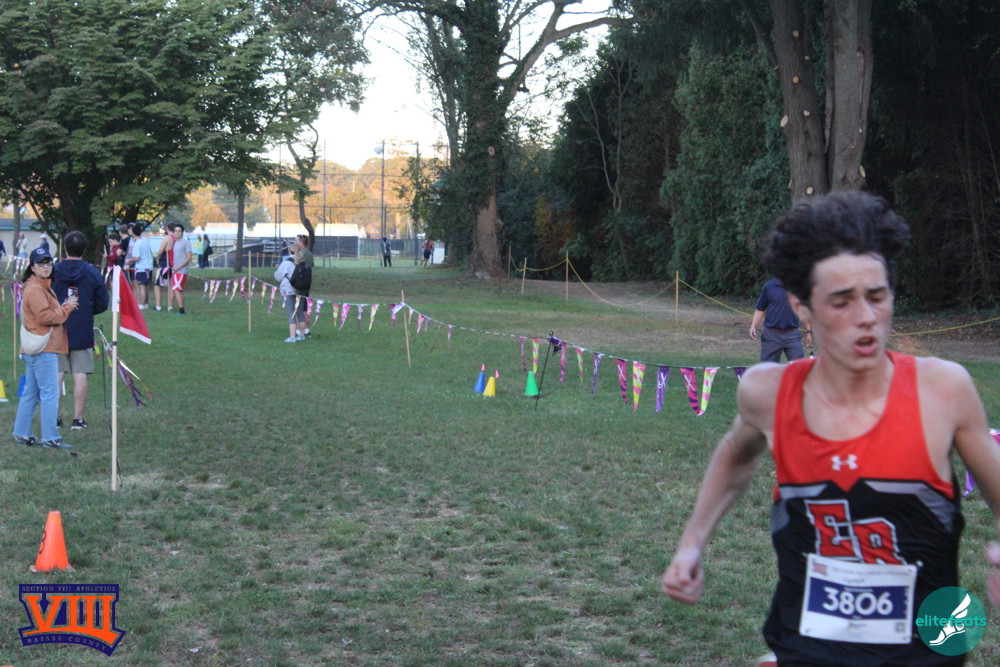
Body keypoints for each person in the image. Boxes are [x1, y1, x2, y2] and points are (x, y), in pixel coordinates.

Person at [661, 190, 1000, 665]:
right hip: (807, 643)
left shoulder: (943, 390)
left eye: (877, 297)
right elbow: (735, 455)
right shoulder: (768, 393)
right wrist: (691, 545)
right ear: (801, 307)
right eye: (841, 302)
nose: (866, 318)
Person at [12, 247, 78, 449]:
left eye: (48, 263)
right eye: (41, 263)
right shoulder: (35, 289)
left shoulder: (38, 286)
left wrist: (63, 307)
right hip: (43, 348)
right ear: (32, 267)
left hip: (36, 348)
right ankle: (51, 437)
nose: (46, 267)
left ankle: (21, 433)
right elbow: (45, 317)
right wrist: (67, 308)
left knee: (31, 393)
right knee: (50, 393)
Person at [52, 231, 110, 430]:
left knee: (57, 373)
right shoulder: (92, 272)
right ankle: (78, 419)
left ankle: (54, 417)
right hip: (81, 327)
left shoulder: (53, 271)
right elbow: (102, 302)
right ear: (84, 249)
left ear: (65, 249)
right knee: (80, 373)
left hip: (57, 326)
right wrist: (86, 309)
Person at [749, 278, 811, 362]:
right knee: (768, 367)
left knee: (799, 366)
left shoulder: (798, 287)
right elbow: (760, 309)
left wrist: (808, 332)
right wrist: (753, 326)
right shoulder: (769, 286)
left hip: (792, 335)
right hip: (771, 335)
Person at [274, 252, 305, 342]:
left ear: (289, 251)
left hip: (288, 290)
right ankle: (302, 335)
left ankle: (292, 337)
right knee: (300, 313)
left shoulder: (286, 263)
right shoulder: (303, 262)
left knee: (291, 313)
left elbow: (278, 276)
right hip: (301, 290)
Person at [125, 223, 153, 309]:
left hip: (141, 268)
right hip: (149, 266)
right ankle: (146, 304)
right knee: (145, 286)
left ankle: (141, 304)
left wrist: (129, 260)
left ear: (133, 232)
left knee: (141, 286)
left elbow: (137, 258)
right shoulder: (145, 240)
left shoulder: (137, 244)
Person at [169, 223, 192, 314]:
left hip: (181, 271)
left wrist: (178, 267)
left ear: (182, 232)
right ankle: (182, 309)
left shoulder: (185, 243)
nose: (177, 233)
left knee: (176, 290)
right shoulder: (174, 242)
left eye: (179, 231)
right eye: (176, 231)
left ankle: (181, 310)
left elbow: (188, 257)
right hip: (175, 270)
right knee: (179, 290)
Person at [155, 224, 175, 311]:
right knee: (171, 285)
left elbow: (160, 251)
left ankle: (158, 306)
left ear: (167, 228)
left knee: (157, 285)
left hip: (164, 263)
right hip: (173, 264)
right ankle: (170, 306)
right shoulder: (176, 239)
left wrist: (157, 258)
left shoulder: (167, 238)